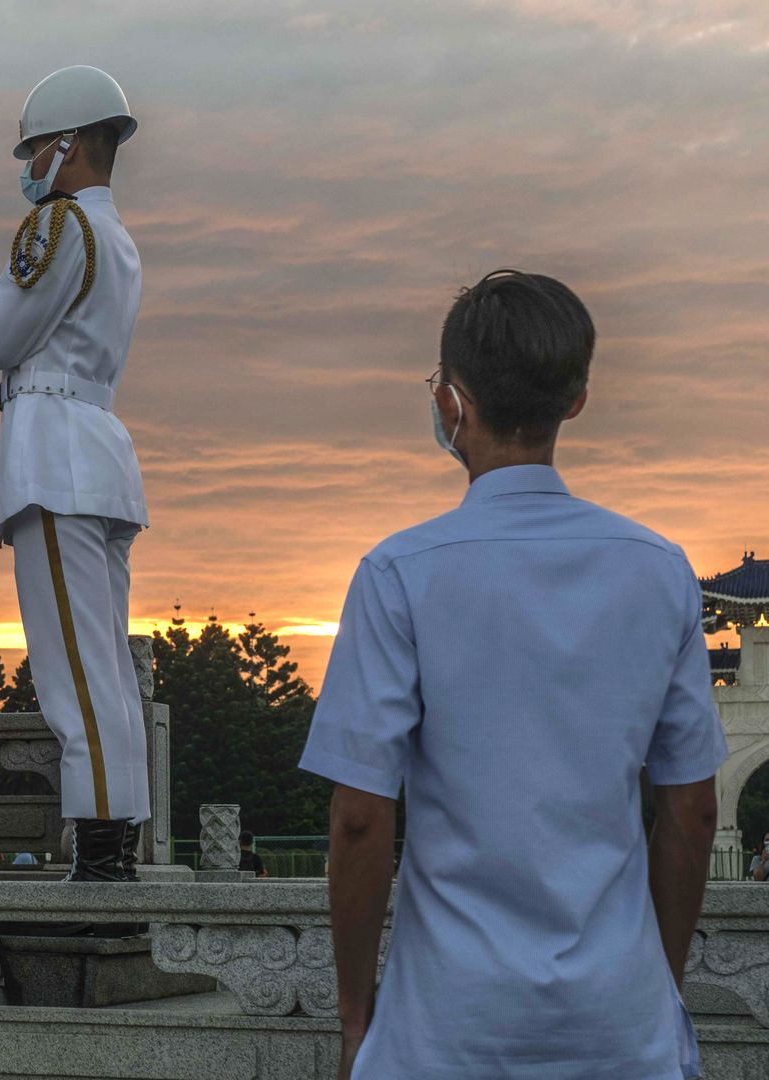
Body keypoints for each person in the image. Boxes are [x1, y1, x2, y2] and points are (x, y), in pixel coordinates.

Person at [301, 270, 726, 1079]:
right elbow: (693, 812)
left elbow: (359, 820)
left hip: (447, 1026)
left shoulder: (400, 572)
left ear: (451, 402)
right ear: (576, 400)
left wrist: (357, 1018)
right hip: (619, 1021)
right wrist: (656, 989)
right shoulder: (658, 570)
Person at [0, 65, 148, 882]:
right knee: (105, 668)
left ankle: (99, 850)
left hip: (54, 459)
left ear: (73, 145)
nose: (31, 163)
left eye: (38, 147)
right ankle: (115, 840)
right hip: (96, 454)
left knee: (75, 673)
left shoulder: (60, 229)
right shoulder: (114, 236)